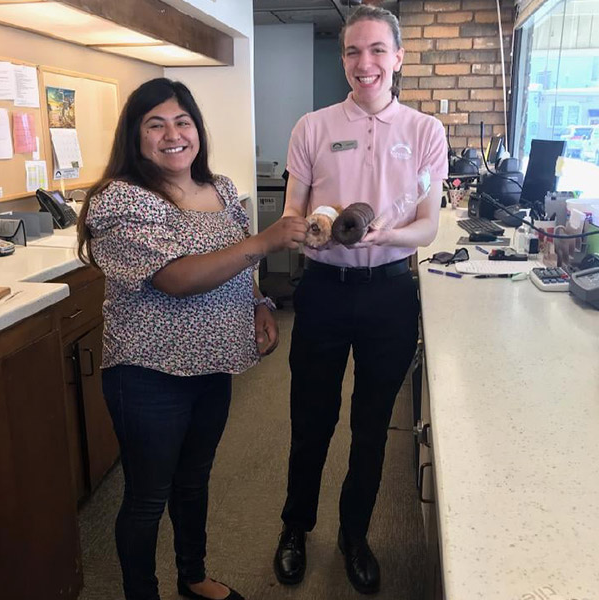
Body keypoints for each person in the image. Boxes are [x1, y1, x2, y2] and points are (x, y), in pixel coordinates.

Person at [77, 77, 307, 600]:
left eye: (182, 122)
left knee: (193, 482)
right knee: (146, 497)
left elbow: (233, 261)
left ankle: (193, 575)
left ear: (197, 130)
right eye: (154, 125)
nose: (172, 134)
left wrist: (256, 303)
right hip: (147, 376)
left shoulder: (222, 188)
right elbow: (177, 278)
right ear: (134, 137)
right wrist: (265, 239)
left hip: (212, 368)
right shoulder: (119, 201)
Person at [273, 5, 448, 595]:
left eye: (377, 50)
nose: (364, 63)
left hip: (390, 294)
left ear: (398, 58)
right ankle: (295, 528)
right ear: (343, 58)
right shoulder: (313, 127)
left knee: (372, 426)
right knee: (311, 420)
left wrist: (388, 235)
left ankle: (354, 534)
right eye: (353, 51)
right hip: (324, 291)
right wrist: (310, 224)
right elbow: (291, 210)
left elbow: (429, 226)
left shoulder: (425, 132)